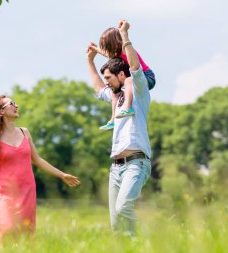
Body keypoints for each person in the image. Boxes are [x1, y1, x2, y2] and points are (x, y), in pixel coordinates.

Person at [0, 95, 80, 241]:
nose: (16, 105)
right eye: (12, 103)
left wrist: (62, 175)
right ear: (1, 112)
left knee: (27, 236)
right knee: (8, 231)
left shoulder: (25, 133)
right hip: (6, 193)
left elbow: (37, 160)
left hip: (27, 191)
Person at [86, 19, 152, 235]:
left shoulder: (139, 91)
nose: (106, 82)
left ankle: (158, 235)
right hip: (116, 167)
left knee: (124, 208)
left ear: (121, 75)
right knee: (116, 225)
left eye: (109, 78)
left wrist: (124, 35)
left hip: (136, 162)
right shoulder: (116, 96)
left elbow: (134, 67)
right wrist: (90, 61)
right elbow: (98, 88)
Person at [93, 25, 155, 130]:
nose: (106, 51)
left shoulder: (125, 50)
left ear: (114, 43)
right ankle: (113, 119)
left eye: (107, 47)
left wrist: (124, 33)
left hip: (147, 76)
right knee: (114, 92)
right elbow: (105, 54)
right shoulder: (114, 54)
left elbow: (134, 65)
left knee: (128, 80)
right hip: (132, 80)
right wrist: (95, 49)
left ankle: (128, 108)